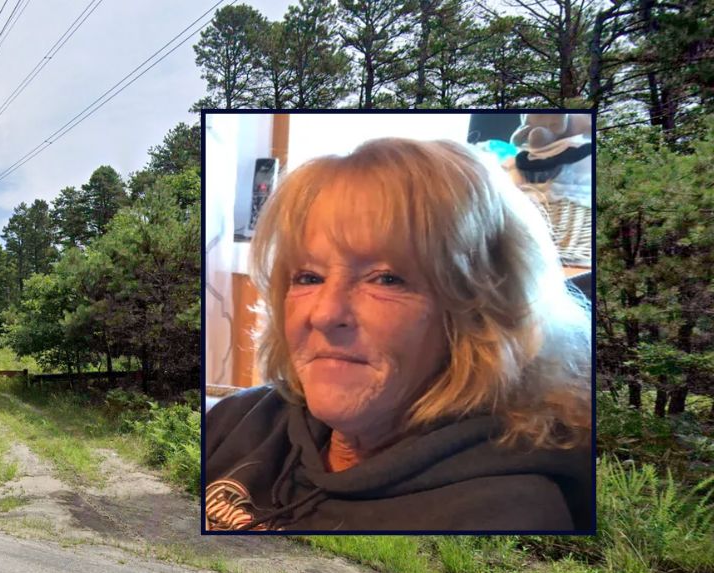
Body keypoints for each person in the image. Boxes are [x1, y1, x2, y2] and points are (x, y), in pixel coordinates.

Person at [205, 137, 593, 532]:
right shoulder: (236, 422)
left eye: (387, 279)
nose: (325, 314)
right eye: (308, 277)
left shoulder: (504, 512)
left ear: (481, 313)